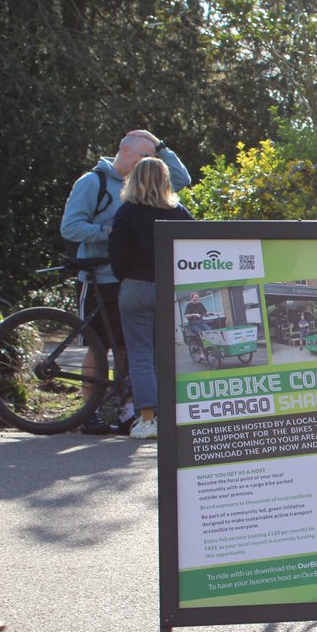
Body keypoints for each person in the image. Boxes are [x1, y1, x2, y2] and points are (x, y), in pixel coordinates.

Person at [61, 129, 190, 434]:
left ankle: (130, 413)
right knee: (98, 347)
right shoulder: (93, 182)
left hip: (128, 281)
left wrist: (161, 145)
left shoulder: (137, 202)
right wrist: (106, 232)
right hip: (99, 280)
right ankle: (91, 413)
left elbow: (181, 179)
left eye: (152, 157)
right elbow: (71, 228)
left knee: (128, 350)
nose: (150, 160)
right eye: (146, 155)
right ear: (125, 151)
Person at [108, 157, 194, 441]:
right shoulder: (179, 213)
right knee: (165, 356)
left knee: (141, 355)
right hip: (169, 288)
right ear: (166, 180)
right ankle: (172, 418)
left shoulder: (126, 212)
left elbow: (118, 259)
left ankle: (148, 421)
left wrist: (127, 276)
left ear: (134, 180)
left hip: (136, 286)